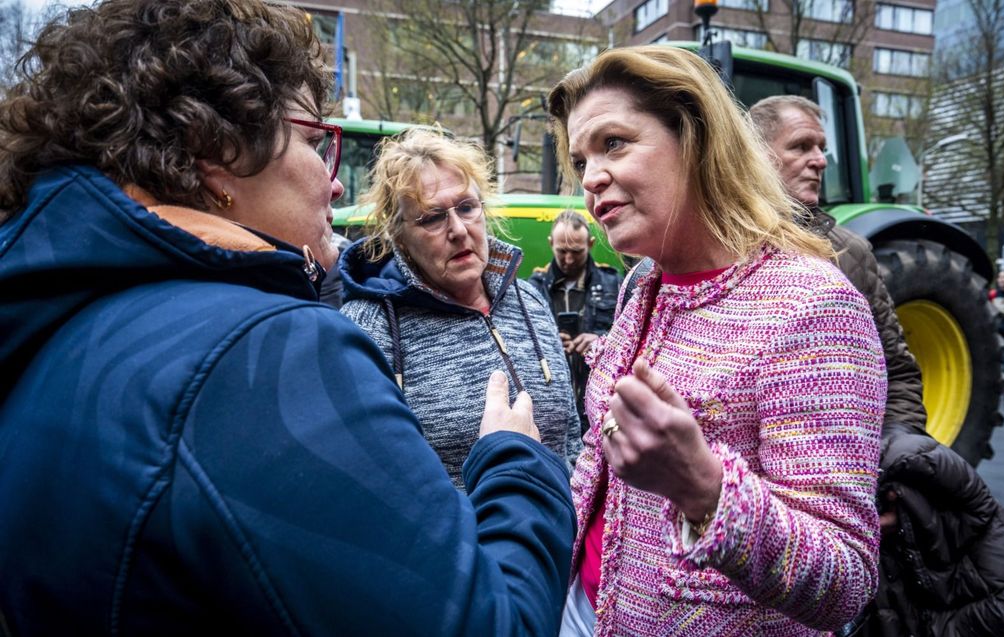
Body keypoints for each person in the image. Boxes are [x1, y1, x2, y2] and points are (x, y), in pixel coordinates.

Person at [0, 1, 575, 634]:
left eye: (467, 207)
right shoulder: (271, 352)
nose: (333, 184)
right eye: (313, 141)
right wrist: (515, 461)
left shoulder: (59, 327)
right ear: (217, 150)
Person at [548, 45, 887, 636]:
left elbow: (845, 581)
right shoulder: (640, 286)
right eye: (580, 161)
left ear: (696, 137)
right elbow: (602, 464)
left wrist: (704, 489)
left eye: (614, 143)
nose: (591, 177)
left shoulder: (812, 304)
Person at [751, 93, 1004, 636]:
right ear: (755, 155)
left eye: (822, 148)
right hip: (753, 495)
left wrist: (893, 470)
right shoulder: (721, 245)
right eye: (802, 146)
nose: (820, 160)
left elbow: (896, 370)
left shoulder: (850, 252)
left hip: (840, 498)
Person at [338, 128, 581, 490]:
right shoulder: (368, 327)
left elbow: (571, 438)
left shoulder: (529, 300)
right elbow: (367, 481)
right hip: (466, 544)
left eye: (467, 207)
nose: (458, 230)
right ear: (398, 235)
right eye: (432, 218)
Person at [529, 210, 621, 434]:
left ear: (590, 244)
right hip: (551, 410)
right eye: (562, 251)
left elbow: (631, 340)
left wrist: (602, 341)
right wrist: (547, 344)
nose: (568, 260)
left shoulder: (615, 284)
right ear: (551, 244)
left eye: (576, 252)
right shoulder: (531, 288)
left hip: (600, 405)